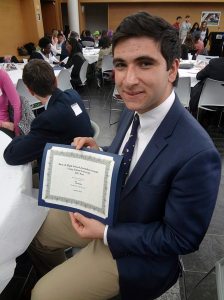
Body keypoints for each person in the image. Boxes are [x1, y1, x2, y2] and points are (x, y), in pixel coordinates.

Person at [28, 12, 221, 300]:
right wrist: (101, 151)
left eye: (145, 63)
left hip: (136, 252)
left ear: (172, 69)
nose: (128, 80)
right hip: (104, 209)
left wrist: (106, 234)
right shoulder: (135, 109)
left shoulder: (198, 153)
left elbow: (182, 238)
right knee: (36, 234)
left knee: (42, 294)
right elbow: (132, 160)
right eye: (120, 65)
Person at [4, 59, 93, 171]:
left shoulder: (46, 121)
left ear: (30, 91)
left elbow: (11, 156)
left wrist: (19, 137)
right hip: (89, 154)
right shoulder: (73, 94)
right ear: (56, 81)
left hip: (67, 170)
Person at [0, 69, 21, 136]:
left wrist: (17, 133)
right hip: (4, 125)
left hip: (4, 129)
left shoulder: (2, 75)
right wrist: (2, 124)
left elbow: (17, 105)